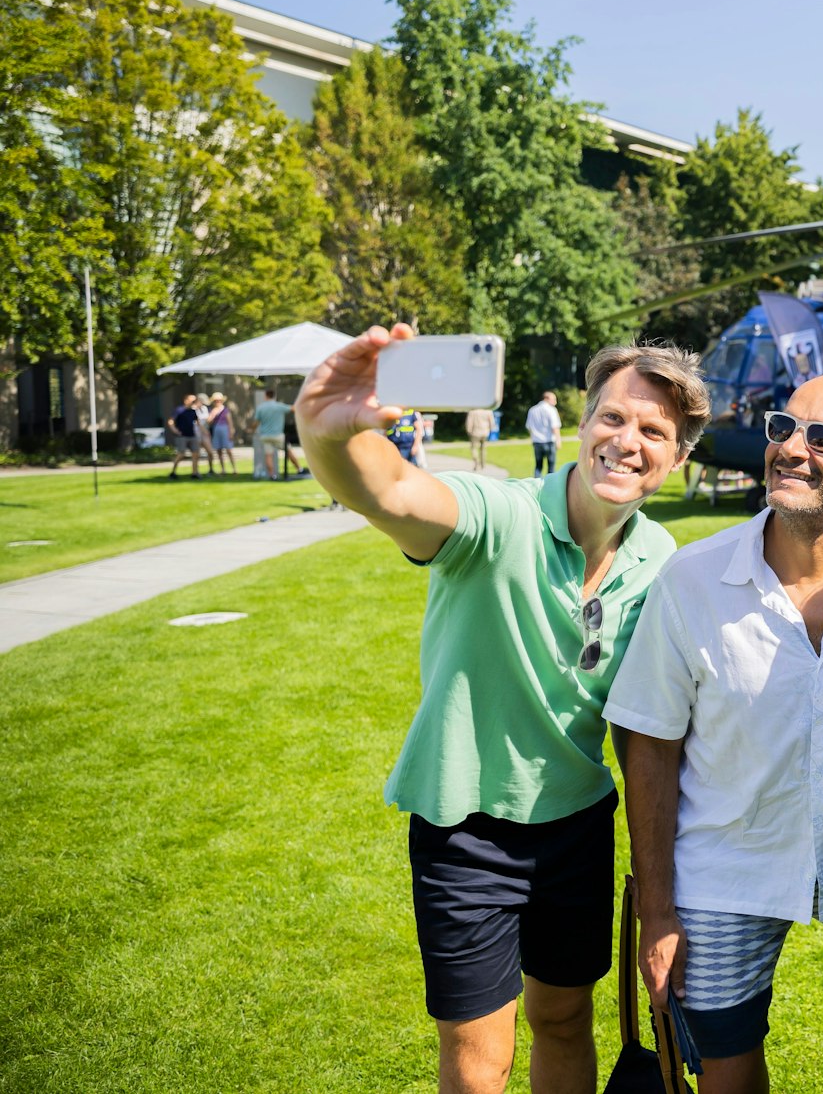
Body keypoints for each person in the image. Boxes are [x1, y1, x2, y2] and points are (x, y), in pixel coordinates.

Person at [296, 327, 709, 1094]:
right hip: (466, 830)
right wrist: (328, 433)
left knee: (565, 1019)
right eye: (613, 417)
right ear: (581, 425)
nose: (629, 441)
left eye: (655, 431)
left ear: (679, 457)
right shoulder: (500, 515)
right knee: (481, 1058)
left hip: (578, 825)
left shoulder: (661, 560)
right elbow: (396, 492)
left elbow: (653, 723)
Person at [604, 375, 823, 1094]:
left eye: (822, 438)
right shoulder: (692, 579)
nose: (791, 449)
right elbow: (649, 744)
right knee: (723, 1058)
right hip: (725, 868)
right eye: (784, 427)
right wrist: (657, 908)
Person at [251, 389, 292, 480]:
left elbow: (256, 422)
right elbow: (293, 409)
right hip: (278, 435)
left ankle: (272, 475)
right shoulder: (279, 406)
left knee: (268, 455)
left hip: (265, 436)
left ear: (266, 396)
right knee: (288, 450)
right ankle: (299, 469)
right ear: (274, 396)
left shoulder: (261, 407)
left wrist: (251, 429)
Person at [167, 394, 205, 479]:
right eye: (192, 400)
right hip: (182, 436)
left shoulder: (193, 411)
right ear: (186, 400)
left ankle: (195, 473)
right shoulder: (179, 410)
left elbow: (198, 423)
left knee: (196, 454)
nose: (194, 402)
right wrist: (175, 430)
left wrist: (205, 432)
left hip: (192, 435)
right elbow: (170, 421)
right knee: (181, 454)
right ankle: (173, 472)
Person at [527, 391, 563, 478]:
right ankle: (549, 484)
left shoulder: (532, 410)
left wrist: (533, 438)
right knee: (551, 467)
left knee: (538, 466)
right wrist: (558, 440)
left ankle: (536, 483)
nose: (555, 402)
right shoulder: (551, 410)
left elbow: (529, 427)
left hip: (537, 442)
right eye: (554, 399)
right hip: (549, 441)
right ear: (546, 398)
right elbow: (555, 426)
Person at [206, 393, 237, 475]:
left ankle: (234, 469)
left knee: (229, 450)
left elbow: (230, 422)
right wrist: (213, 414)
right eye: (216, 401)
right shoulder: (212, 410)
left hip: (225, 430)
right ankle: (223, 469)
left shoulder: (225, 410)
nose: (218, 402)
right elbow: (208, 421)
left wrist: (231, 433)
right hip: (216, 430)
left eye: (219, 400)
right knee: (219, 451)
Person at [465, 406, 495, 473]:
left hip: (475, 433)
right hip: (485, 432)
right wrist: (491, 430)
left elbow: (469, 422)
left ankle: (476, 463)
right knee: (483, 449)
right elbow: (492, 422)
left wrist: (468, 431)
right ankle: (483, 464)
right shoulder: (488, 410)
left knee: (474, 448)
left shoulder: (473, 411)